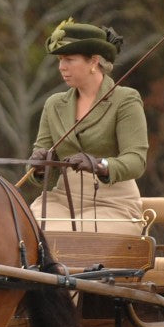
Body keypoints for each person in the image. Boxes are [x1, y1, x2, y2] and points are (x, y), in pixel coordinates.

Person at [27, 18, 148, 235]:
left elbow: (136, 161)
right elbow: (42, 164)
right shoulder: (54, 104)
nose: (61, 67)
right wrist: (39, 165)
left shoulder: (125, 100)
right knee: (24, 229)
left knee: (73, 235)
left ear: (93, 62)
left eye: (69, 59)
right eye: (60, 60)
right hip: (62, 201)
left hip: (113, 204)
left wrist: (100, 164)